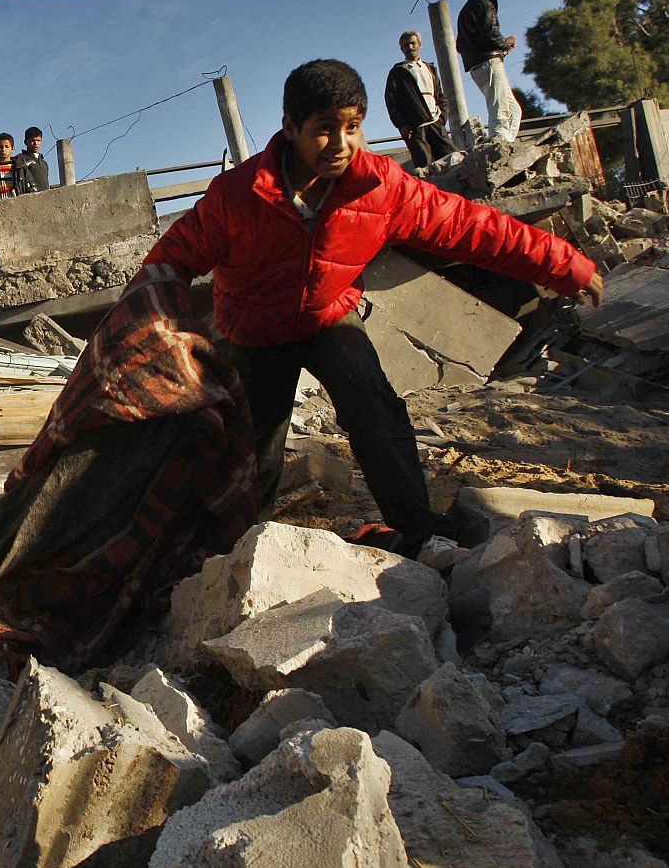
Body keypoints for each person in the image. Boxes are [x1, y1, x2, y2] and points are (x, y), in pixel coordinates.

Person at [142, 59, 603, 557]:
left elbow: (472, 228)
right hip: (254, 330)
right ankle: (243, 549)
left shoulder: (381, 186)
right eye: (323, 130)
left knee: (376, 412)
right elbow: (172, 259)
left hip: (329, 315)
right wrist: (143, 329)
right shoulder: (238, 195)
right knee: (255, 447)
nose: (341, 144)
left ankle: (418, 530)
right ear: (291, 128)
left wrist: (564, 265)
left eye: (353, 127)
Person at [457, 0, 521, 143]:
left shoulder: (467, 9)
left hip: (477, 66)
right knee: (500, 110)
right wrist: (507, 42)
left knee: (513, 110)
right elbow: (490, 33)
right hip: (489, 63)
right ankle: (497, 147)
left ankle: (505, 145)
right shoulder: (484, 4)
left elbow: (459, 44)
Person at [384, 30, 456, 169]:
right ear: (401, 48)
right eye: (406, 45)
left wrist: (443, 116)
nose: (410, 47)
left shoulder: (430, 68)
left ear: (419, 44)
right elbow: (391, 102)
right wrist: (402, 125)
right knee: (425, 166)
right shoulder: (398, 72)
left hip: (436, 123)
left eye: (413, 43)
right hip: (415, 128)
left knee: (452, 158)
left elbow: (440, 94)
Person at [13, 126, 52, 193]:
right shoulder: (20, 159)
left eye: (38, 140)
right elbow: (19, 184)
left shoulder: (44, 163)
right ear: (25, 142)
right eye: (32, 140)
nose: (36, 143)